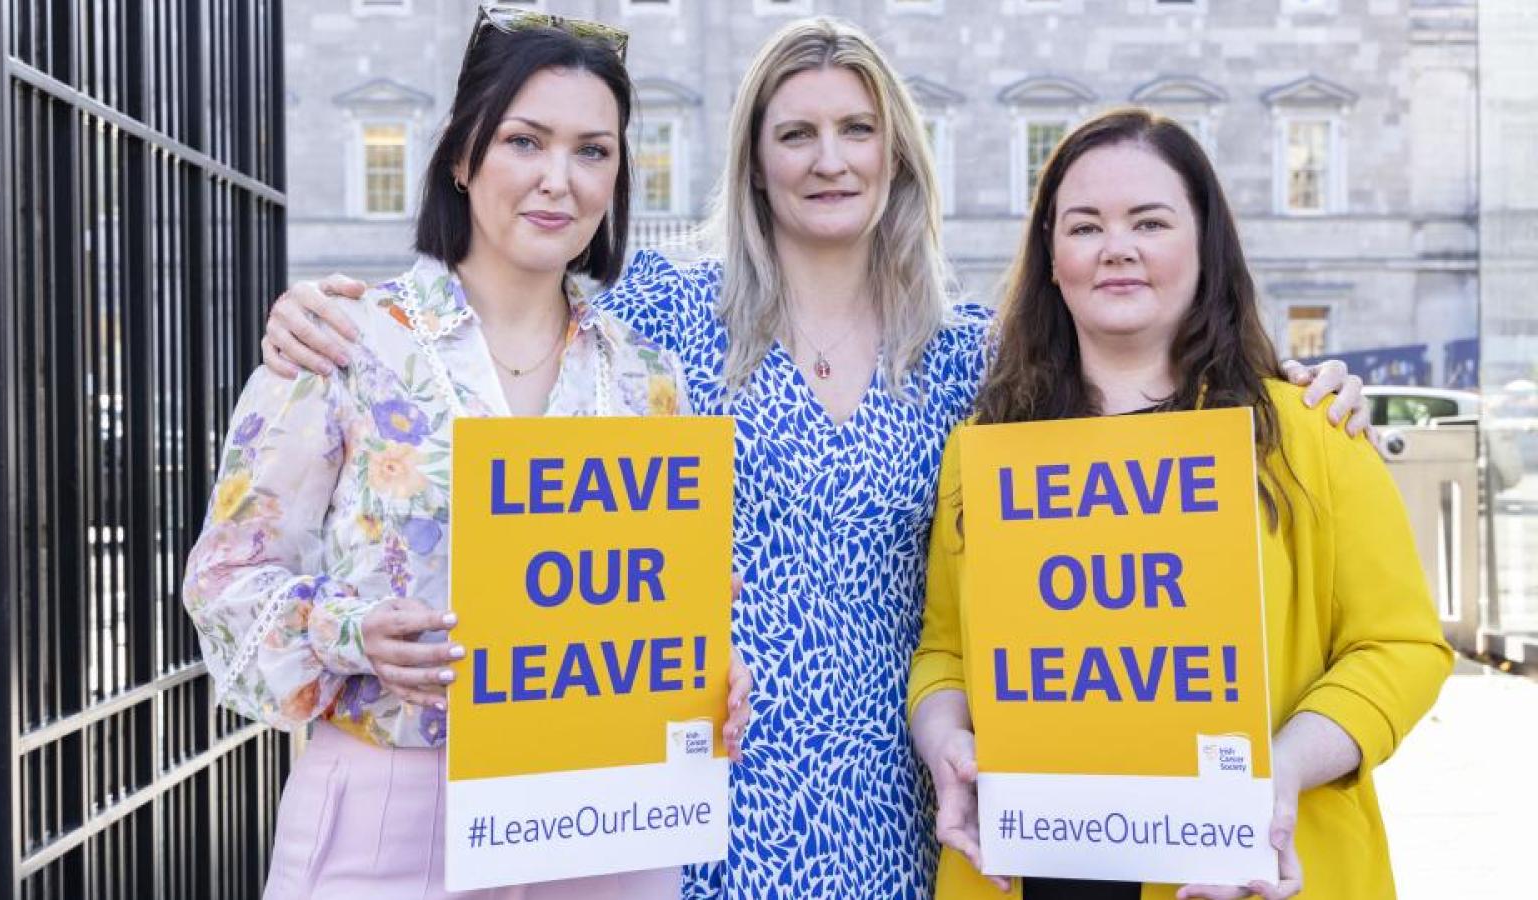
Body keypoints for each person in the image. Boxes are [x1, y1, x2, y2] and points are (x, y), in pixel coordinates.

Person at [258, 18, 1368, 899]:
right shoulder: (654, 320)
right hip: (676, 797)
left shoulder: (986, 362)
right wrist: (324, 311)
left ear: (899, 154)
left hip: (905, 798)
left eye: (857, 130)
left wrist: (1318, 391)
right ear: (752, 161)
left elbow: (1146, 442)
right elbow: (501, 308)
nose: (828, 159)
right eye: (795, 134)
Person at [182, 11, 750, 899]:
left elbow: (679, 590)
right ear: (461, 154)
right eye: (526, 141)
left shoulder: (649, 380)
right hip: (392, 814)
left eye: (592, 151)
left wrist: (711, 673)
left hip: (604, 819)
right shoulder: (344, 342)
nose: (557, 180)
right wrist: (350, 631)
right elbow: (226, 580)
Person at [907, 108, 1452, 900]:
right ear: (1052, 258)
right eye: (1085, 225)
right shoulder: (984, 449)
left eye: (1150, 222)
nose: (1116, 247)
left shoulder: (1311, 432)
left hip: (1248, 870)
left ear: (1204, 247)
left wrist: (1281, 772)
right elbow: (946, 652)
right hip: (1025, 866)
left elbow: (1400, 648)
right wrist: (946, 744)